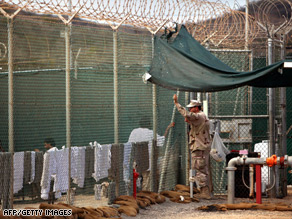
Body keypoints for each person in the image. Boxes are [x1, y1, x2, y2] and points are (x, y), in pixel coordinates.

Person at [173, 94, 212, 199]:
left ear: (196, 108)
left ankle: (205, 192)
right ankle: (204, 190)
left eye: (191, 108)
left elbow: (187, 114)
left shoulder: (199, 116)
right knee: (201, 168)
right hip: (200, 147)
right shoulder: (201, 117)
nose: (190, 109)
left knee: (200, 168)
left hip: (200, 147)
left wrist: (177, 104)